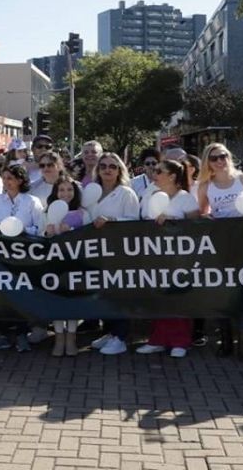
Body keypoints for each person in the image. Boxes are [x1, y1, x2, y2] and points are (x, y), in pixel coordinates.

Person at [196, 144, 243, 359]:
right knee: (223, 293)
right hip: (220, 244)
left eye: (223, 156)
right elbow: (202, 213)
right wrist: (206, 218)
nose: (220, 161)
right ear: (208, 162)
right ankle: (226, 340)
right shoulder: (205, 185)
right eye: (214, 158)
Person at [136, 160, 200, 358]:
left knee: (177, 296)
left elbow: (196, 226)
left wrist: (172, 221)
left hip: (179, 257)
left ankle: (180, 341)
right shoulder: (149, 193)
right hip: (152, 253)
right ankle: (157, 340)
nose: (154, 174)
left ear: (172, 176)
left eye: (159, 171)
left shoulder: (185, 198)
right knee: (158, 296)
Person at [85, 152, 141, 355]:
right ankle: (109, 332)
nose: (108, 170)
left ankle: (121, 337)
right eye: (103, 166)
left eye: (113, 166)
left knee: (119, 293)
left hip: (119, 251)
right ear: (97, 170)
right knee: (103, 293)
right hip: (95, 252)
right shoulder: (90, 193)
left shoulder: (127, 193)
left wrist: (112, 221)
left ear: (120, 170)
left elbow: (136, 222)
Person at [0, 164, 45, 353]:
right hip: (1, 254)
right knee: (2, 294)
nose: (6, 182)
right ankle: (2, 334)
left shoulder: (31, 201)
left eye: (10, 178)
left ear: (20, 180)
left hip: (23, 255)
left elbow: (39, 228)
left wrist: (20, 230)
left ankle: (21, 334)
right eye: (4, 178)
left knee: (21, 294)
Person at [43, 177, 90, 357]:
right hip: (54, 264)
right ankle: (59, 337)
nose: (65, 193)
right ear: (55, 193)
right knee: (56, 298)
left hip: (75, 263)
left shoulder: (82, 213)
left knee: (72, 298)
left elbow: (89, 236)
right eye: (61, 190)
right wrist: (48, 232)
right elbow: (40, 235)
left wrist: (69, 232)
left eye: (69, 189)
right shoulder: (46, 212)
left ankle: (71, 337)